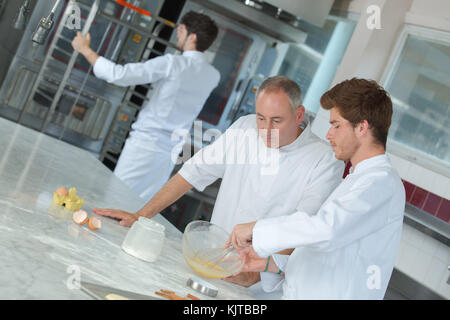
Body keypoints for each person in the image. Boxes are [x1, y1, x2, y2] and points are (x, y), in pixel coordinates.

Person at [92, 76, 344, 294]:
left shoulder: (323, 159)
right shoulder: (245, 127)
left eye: (277, 121)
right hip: (214, 263)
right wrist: (140, 216)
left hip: (259, 285)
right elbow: (194, 171)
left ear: (299, 114)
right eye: (261, 118)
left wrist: (255, 274)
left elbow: (304, 227)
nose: (266, 130)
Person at [226, 78, 406, 300]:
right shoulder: (358, 179)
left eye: (336, 125)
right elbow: (325, 254)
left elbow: (325, 230)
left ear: (362, 127)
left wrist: (257, 229)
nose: (329, 134)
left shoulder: (380, 183)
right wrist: (269, 264)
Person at [71, 11, 220, 202]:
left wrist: (85, 49)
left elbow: (119, 75)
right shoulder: (213, 75)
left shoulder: (173, 63)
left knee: (114, 200)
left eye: (181, 30)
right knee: (139, 208)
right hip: (170, 152)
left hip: (145, 145)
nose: (177, 34)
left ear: (192, 37)